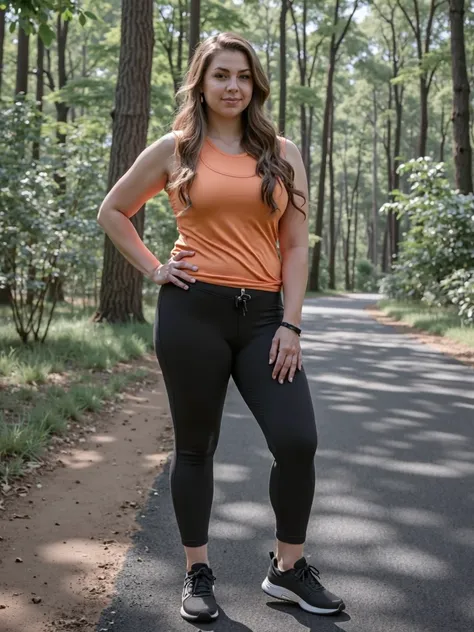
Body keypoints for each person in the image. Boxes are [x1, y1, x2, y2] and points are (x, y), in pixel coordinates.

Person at [97, 31, 345, 623]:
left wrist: (291, 324)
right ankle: (197, 574)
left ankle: (287, 571)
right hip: (192, 313)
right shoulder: (174, 149)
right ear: (201, 84)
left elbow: (295, 247)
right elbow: (113, 211)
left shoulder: (282, 153)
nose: (232, 86)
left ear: (254, 84)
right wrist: (157, 268)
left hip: (264, 318)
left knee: (297, 440)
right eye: (220, 76)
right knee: (195, 448)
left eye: (242, 76)